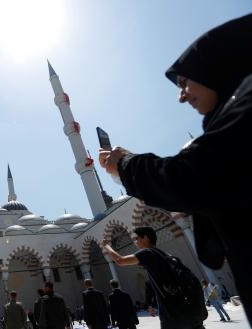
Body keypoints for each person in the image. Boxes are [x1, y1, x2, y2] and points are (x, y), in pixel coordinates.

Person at [98, 13, 252, 325]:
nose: (181, 97)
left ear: (213, 66)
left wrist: (125, 164)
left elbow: (193, 177)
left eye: (184, 82)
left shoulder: (246, 108)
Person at [103, 227, 205, 329]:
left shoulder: (147, 253)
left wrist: (106, 246)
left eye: (137, 238)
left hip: (173, 315)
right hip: (190, 311)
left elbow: (120, 260)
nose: (136, 242)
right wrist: (150, 304)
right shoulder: (166, 256)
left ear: (146, 238)